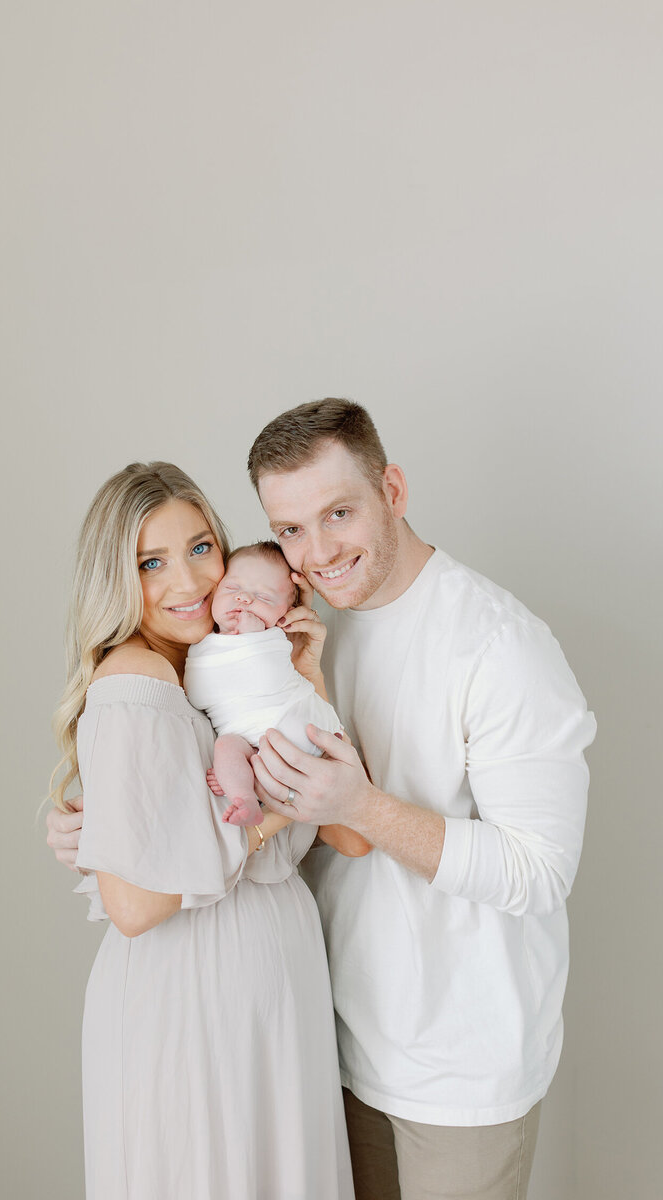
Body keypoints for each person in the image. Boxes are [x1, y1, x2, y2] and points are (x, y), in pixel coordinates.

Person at [244, 399, 597, 1200]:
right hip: (336, 1043)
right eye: (291, 530)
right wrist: (107, 823)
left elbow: (539, 870)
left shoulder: (500, 646)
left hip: (464, 1076)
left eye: (339, 513)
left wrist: (362, 807)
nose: (319, 551)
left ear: (393, 490)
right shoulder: (301, 632)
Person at [48, 460, 354, 1200]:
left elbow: (352, 833)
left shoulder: (205, 677)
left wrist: (305, 681)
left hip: (264, 982)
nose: (187, 583)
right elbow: (136, 906)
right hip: (196, 995)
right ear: (117, 580)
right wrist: (273, 814)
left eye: (200, 548)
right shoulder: (136, 680)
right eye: (151, 563)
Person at [184, 540, 344, 827]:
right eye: (232, 589)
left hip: (296, 721)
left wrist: (253, 639)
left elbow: (263, 677)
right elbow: (198, 695)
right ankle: (244, 797)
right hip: (251, 743)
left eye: (264, 598)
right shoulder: (202, 644)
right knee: (227, 748)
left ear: (285, 614)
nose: (244, 600)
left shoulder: (273, 641)